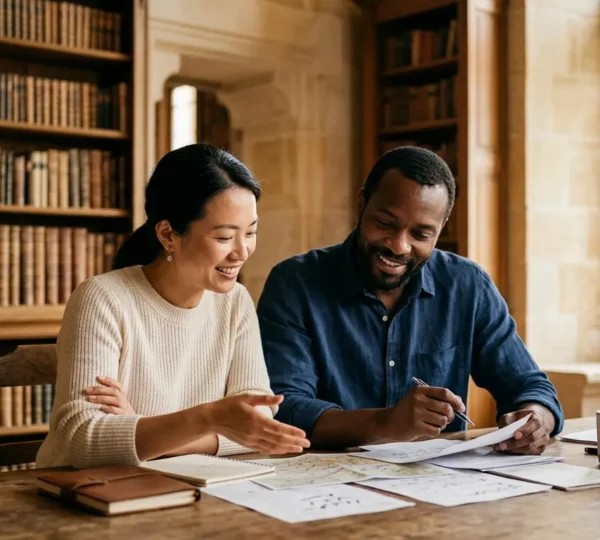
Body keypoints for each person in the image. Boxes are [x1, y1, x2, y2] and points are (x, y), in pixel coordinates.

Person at [257, 146, 563, 455]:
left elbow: (529, 385)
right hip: (320, 487)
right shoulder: (294, 284)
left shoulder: (467, 285)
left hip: (439, 487)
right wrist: (386, 424)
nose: (399, 246)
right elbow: (284, 408)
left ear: (440, 230)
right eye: (386, 224)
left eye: (420, 234)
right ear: (362, 203)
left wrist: (537, 417)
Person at [36, 144, 309, 469]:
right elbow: (82, 440)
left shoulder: (235, 301)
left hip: (179, 488)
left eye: (251, 232)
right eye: (224, 237)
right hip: (84, 496)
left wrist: (141, 425)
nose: (242, 251)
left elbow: (258, 419)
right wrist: (209, 419)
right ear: (168, 235)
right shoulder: (103, 298)